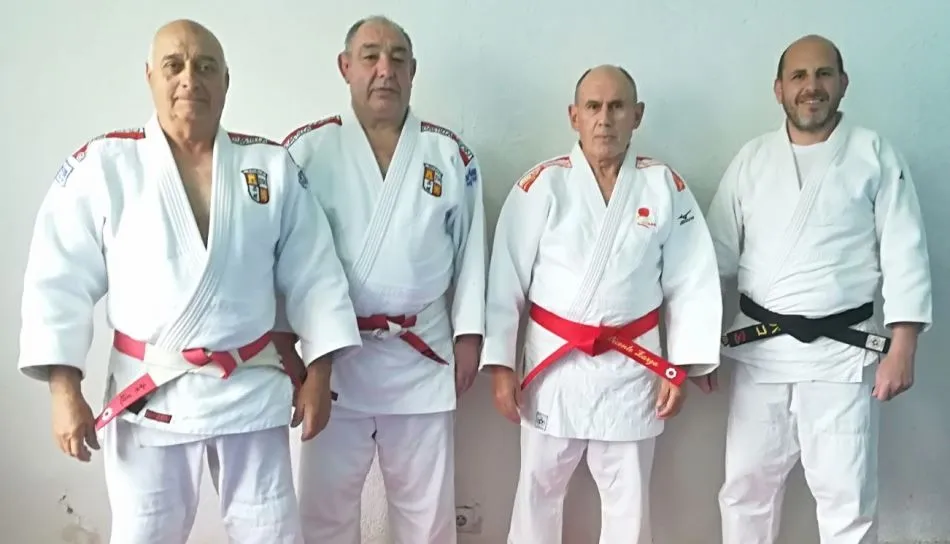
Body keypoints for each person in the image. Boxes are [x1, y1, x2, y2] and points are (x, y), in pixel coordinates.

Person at [17, 19, 362, 544]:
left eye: (205, 67)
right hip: (149, 391)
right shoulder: (105, 165)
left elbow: (315, 274)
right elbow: (57, 280)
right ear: (150, 76)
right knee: (145, 534)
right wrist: (65, 390)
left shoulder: (269, 166)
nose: (189, 80)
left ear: (226, 80)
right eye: (174, 66)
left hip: (250, 386)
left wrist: (319, 372)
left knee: (273, 533)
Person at [480, 64, 723, 544]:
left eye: (617, 107)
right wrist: (501, 366)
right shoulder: (542, 184)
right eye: (593, 106)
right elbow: (505, 279)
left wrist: (680, 364)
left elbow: (692, 280)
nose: (605, 119)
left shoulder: (664, 186)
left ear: (638, 115)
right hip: (554, 368)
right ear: (574, 116)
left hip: (633, 369)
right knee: (537, 495)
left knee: (628, 504)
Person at [707, 34, 932, 544]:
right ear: (779, 89)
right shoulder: (752, 159)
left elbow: (905, 252)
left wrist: (903, 346)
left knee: (847, 502)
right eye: (799, 76)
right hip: (761, 355)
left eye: (824, 74)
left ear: (843, 83)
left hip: (842, 359)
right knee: (744, 492)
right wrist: (696, 348)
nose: (812, 86)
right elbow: (715, 258)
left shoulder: (874, 154)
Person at [282, 15, 486, 544]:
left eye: (398, 59)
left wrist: (469, 335)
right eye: (370, 56)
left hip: (423, 355)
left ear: (413, 71)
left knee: (427, 516)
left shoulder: (449, 154)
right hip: (334, 360)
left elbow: (471, 251)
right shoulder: (306, 151)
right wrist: (287, 346)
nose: (384, 69)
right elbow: (282, 256)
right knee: (324, 512)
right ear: (345, 66)